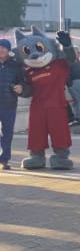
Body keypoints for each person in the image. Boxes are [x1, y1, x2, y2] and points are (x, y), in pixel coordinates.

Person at [0, 39, 24, 170]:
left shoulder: (15, 66)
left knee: (7, 133)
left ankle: (4, 160)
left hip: (9, 103)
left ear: (9, 50)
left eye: (4, 47)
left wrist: (21, 87)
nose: (1, 50)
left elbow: (23, 83)